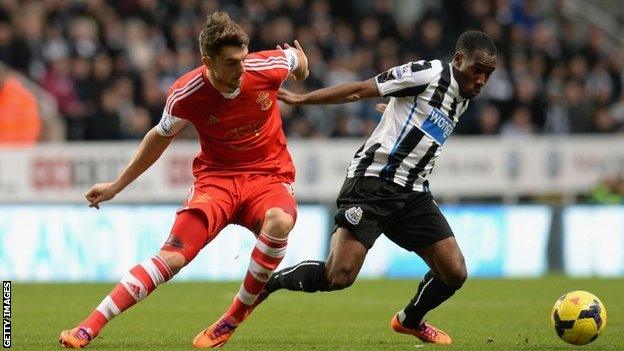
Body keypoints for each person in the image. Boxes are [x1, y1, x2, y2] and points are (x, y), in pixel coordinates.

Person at [59, 11, 309, 349]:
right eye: (232, 63)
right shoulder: (185, 93)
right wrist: (117, 185)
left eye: (244, 58)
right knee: (172, 257)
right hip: (216, 181)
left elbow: (297, 63)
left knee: (280, 221)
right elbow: (159, 138)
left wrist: (302, 66)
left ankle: (232, 318)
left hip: (268, 177)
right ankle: (89, 326)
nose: (242, 69)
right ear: (208, 61)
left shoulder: (266, 66)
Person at [255, 31, 497, 345]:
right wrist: (302, 99)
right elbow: (359, 90)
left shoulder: (462, 98)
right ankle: (269, 283)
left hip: (413, 194)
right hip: (373, 183)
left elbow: (416, 119)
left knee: (455, 272)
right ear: (458, 60)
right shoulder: (429, 72)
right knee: (338, 276)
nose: (481, 80)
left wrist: (395, 116)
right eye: (477, 70)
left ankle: (410, 320)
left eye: (488, 74)